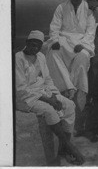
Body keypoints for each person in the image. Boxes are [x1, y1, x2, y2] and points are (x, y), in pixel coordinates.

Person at [16, 30, 85, 165]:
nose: (34, 48)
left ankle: (63, 148)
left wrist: (54, 95)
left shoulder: (41, 56)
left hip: (44, 92)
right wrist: (49, 100)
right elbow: (20, 89)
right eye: (32, 44)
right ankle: (69, 146)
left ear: (41, 46)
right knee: (49, 111)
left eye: (38, 45)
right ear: (26, 43)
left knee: (69, 105)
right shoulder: (18, 58)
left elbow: (47, 79)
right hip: (26, 97)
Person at [45, 0, 96, 135]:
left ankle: (77, 94)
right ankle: (68, 88)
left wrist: (85, 45)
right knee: (52, 53)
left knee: (82, 57)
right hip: (64, 41)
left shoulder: (89, 9)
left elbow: (90, 31)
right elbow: (54, 27)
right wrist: (54, 40)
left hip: (81, 42)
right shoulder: (61, 7)